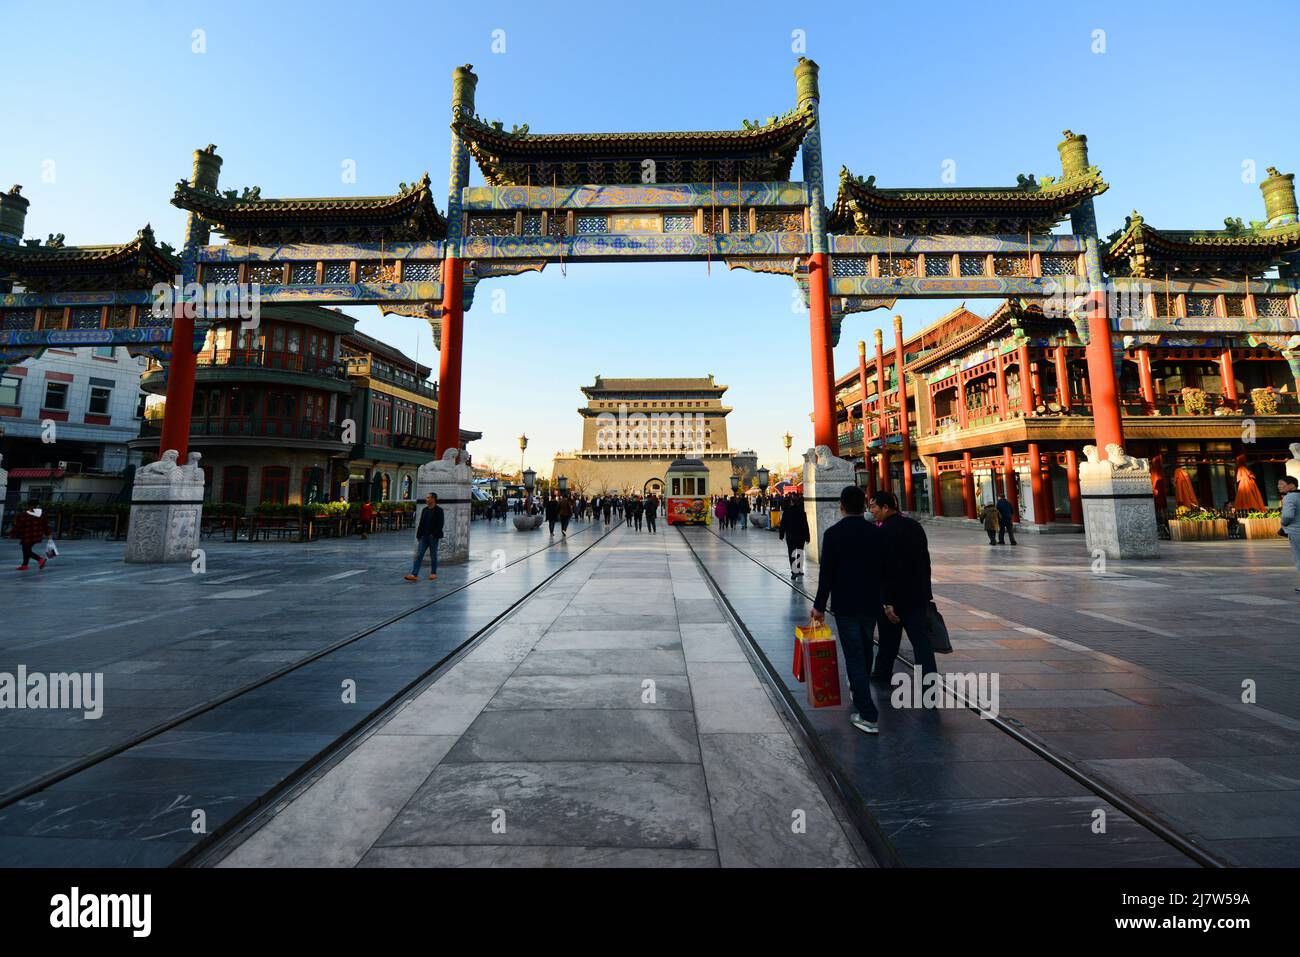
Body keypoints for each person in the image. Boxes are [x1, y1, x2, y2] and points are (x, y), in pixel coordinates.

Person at [811, 485, 885, 735]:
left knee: (853, 655)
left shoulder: (833, 534)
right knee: (865, 651)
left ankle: (867, 714)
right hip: (870, 604)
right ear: (864, 505)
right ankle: (860, 687)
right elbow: (884, 571)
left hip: (845, 605)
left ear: (841, 506)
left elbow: (826, 575)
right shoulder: (876, 533)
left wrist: (819, 606)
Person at [870, 490, 939, 678]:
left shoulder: (882, 532)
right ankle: (928, 682)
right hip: (917, 595)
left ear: (885, 507)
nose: (871, 510)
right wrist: (926, 593)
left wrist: (887, 601)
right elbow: (925, 563)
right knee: (921, 642)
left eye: (874, 506)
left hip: (893, 599)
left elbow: (883, 570)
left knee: (888, 639)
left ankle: (882, 673)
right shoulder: (914, 526)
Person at [405, 492, 444, 581]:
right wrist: (419, 535)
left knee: (433, 555)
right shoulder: (425, 510)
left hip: (433, 537)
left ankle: (433, 573)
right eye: (426, 498)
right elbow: (421, 523)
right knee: (419, 555)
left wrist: (433, 534)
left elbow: (440, 524)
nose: (426, 499)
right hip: (423, 537)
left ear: (433, 499)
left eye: (428, 497)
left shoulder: (439, 510)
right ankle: (414, 574)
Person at [778, 495, 810, 577]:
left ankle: (794, 571)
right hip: (800, 536)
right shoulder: (802, 512)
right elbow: (805, 525)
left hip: (790, 536)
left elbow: (782, 525)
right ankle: (799, 570)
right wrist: (807, 537)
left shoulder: (787, 512)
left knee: (792, 553)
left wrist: (781, 535)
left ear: (791, 502)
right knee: (800, 552)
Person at [13, 502, 50, 572]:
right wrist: (48, 534)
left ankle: (40, 559)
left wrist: (13, 533)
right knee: (27, 549)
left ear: (29, 506)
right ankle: (24, 565)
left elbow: (18, 525)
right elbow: (45, 525)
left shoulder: (24, 514)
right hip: (37, 535)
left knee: (26, 550)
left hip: (27, 535)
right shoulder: (42, 514)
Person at [1280, 475, 1300, 593]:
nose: (1279, 486)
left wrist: (1283, 523)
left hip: (1296, 532)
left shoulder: (1289, 497)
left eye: (1281, 484)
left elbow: (1287, 516)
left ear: (1291, 485)